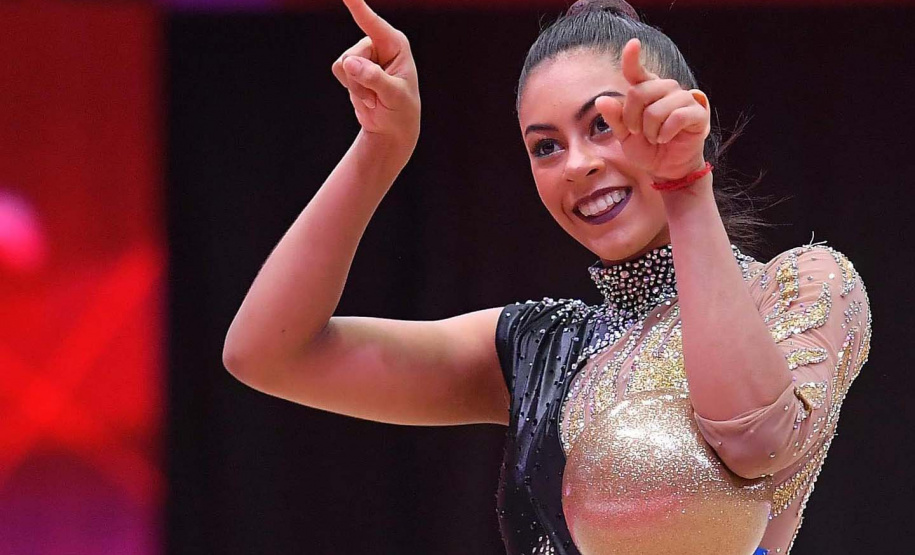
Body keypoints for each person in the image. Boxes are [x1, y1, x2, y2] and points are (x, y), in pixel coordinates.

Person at [222, 0, 872, 554]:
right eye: (545, 146)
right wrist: (379, 149)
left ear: (679, 113)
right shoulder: (536, 347)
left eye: (602, 125)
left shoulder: (800, 284)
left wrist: (683, 183)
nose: (577, 164)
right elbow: (269, 353)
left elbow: (753, 441)